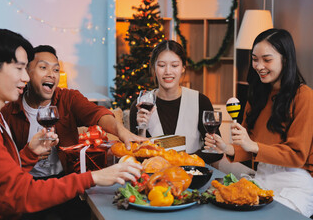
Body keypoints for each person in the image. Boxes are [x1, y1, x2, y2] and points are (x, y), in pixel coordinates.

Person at [0, 29, 142, 219]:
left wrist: (29, 154)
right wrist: (94, 178)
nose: (25, 77)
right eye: (19, 68)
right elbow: (20, 193)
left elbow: (3, 178)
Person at [205, 28, 313, 217]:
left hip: (295, 182)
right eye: (255, 59)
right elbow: (251, 148)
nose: (259, 66)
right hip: (263, 177)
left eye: (267, 59)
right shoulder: (257, 96)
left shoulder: (304, 96)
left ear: (285, 59)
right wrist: (228, 148)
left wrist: (251, 145)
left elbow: (297, 155)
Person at [130, 40, 223, 164]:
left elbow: (216, 152)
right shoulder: (140, 105)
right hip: (153, 177)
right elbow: (135, 155)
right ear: (154, 67)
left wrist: (181, 161)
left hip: (191, 177)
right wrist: (141, 128)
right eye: (162, 65)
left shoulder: (200, 101)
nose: (168, 71)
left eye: (174, 65)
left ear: (183, 68)